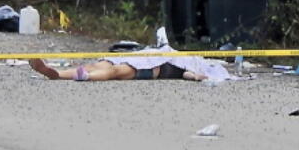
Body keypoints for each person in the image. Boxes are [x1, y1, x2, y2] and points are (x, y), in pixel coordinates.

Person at [29, 57, 208, 82]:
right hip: (137, 60)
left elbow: (187, 74)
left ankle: (86, 77)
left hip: (143, 69)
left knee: (113, 71)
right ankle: (57, 73)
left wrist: (196, 76)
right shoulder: (169, 53)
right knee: (98, 65)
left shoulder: (185, 65)